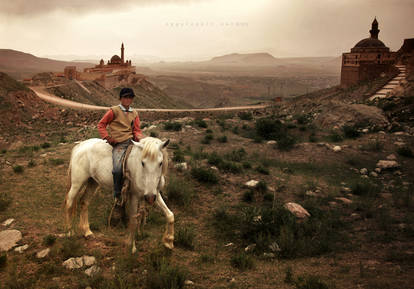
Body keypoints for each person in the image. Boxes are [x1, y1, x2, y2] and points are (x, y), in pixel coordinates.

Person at [97, 87, 143, 206]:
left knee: (148, 162)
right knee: (117, 169)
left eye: (130, 97)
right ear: (120, 98)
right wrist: (107, 138)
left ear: (132, 99)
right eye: (125, 97)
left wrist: (142, 140)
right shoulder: (114, 111)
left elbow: (137, 130)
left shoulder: (134, 113)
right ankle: (117, 194)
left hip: (132, 142)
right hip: (119, 144)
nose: (127, 99)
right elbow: (101, 125)